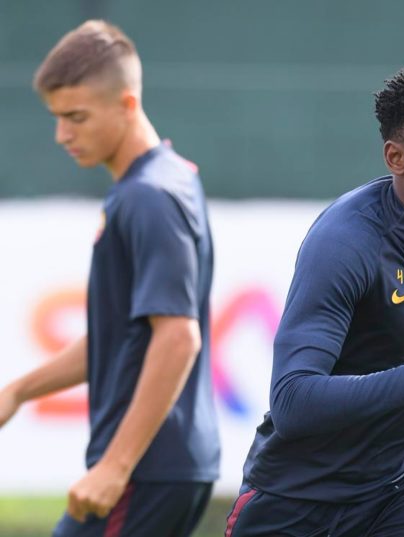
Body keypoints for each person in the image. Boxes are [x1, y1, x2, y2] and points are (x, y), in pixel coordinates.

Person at [225, 62, 404, 537]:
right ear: (396, 158)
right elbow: (293, 402)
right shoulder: (345, 244)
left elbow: (398, 328)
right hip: (300, 499)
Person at [0, 20, 219, 536]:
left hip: (144, 469)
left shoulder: (149, 197)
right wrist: (20, 391)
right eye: (57, 118)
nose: (62, 135)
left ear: (126, 104)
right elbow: (120, 336)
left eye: (76, 117)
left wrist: (116, 466)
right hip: (162, 466)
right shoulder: (166, 178)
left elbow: (177, 337)